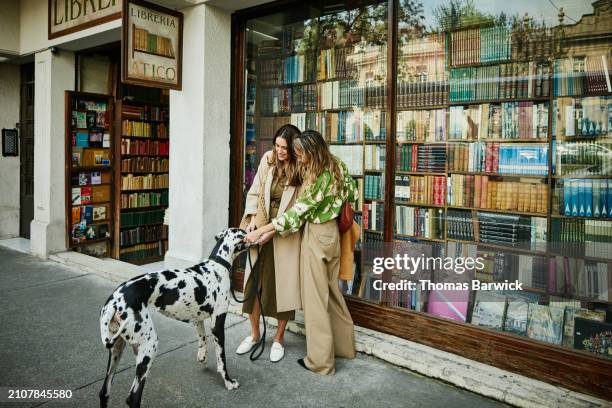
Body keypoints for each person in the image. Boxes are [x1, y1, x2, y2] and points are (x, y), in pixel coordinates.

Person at [246, 130, 357, 375]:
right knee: (332, 295)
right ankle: (344, 347)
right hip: (333, 236)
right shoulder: (338, 165)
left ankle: (320, 362)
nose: (300, 158)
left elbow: (296, 215)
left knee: (315, 300)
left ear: (312, 152)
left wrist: (262, 230)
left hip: (317, 235)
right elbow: (353, 193)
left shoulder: (319, 178)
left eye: (301, 153)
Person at [236, 124, 303, 362]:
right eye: (277, 145)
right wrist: (252, 220)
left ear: (294, 149)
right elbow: (254, 192)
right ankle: (255, 335)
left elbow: (297, 210)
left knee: (281, 289)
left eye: (284, 147)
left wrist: (271, 230)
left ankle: (279, 338)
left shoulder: (300, 168)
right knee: (252, 286)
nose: (280, 151)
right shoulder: (268, 159)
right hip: (261, 227)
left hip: (284, 234)